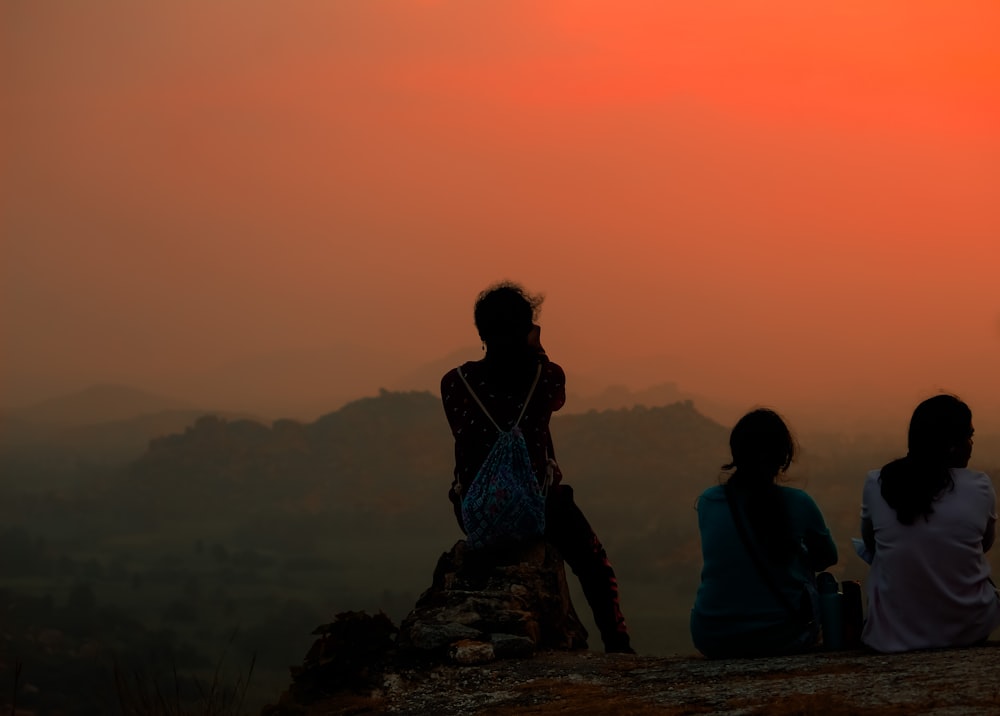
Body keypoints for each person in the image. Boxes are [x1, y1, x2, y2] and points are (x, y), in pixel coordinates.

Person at [440, 281, 634, 654]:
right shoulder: (545, 377)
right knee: (593, 563)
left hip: (476, 513)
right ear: (528, 330)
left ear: (481, 332)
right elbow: (556, 398)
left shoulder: (454, 383)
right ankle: (618, 644)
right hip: (540, 508)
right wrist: (537, 349)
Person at [690, 408, 837, 658]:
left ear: (736, 453)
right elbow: (827, 559)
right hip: (781, 636)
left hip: (712, 637)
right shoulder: (799, 503)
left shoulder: (708, 501)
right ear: (783, 458)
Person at [860, 394, 999, 653]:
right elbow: (983, 545)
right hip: (969, 628)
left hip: (891, 636)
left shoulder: (877, 483)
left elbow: (871, 544)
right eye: (969, 436)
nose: (971, 444)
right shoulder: (980, 486)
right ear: (951, 446)